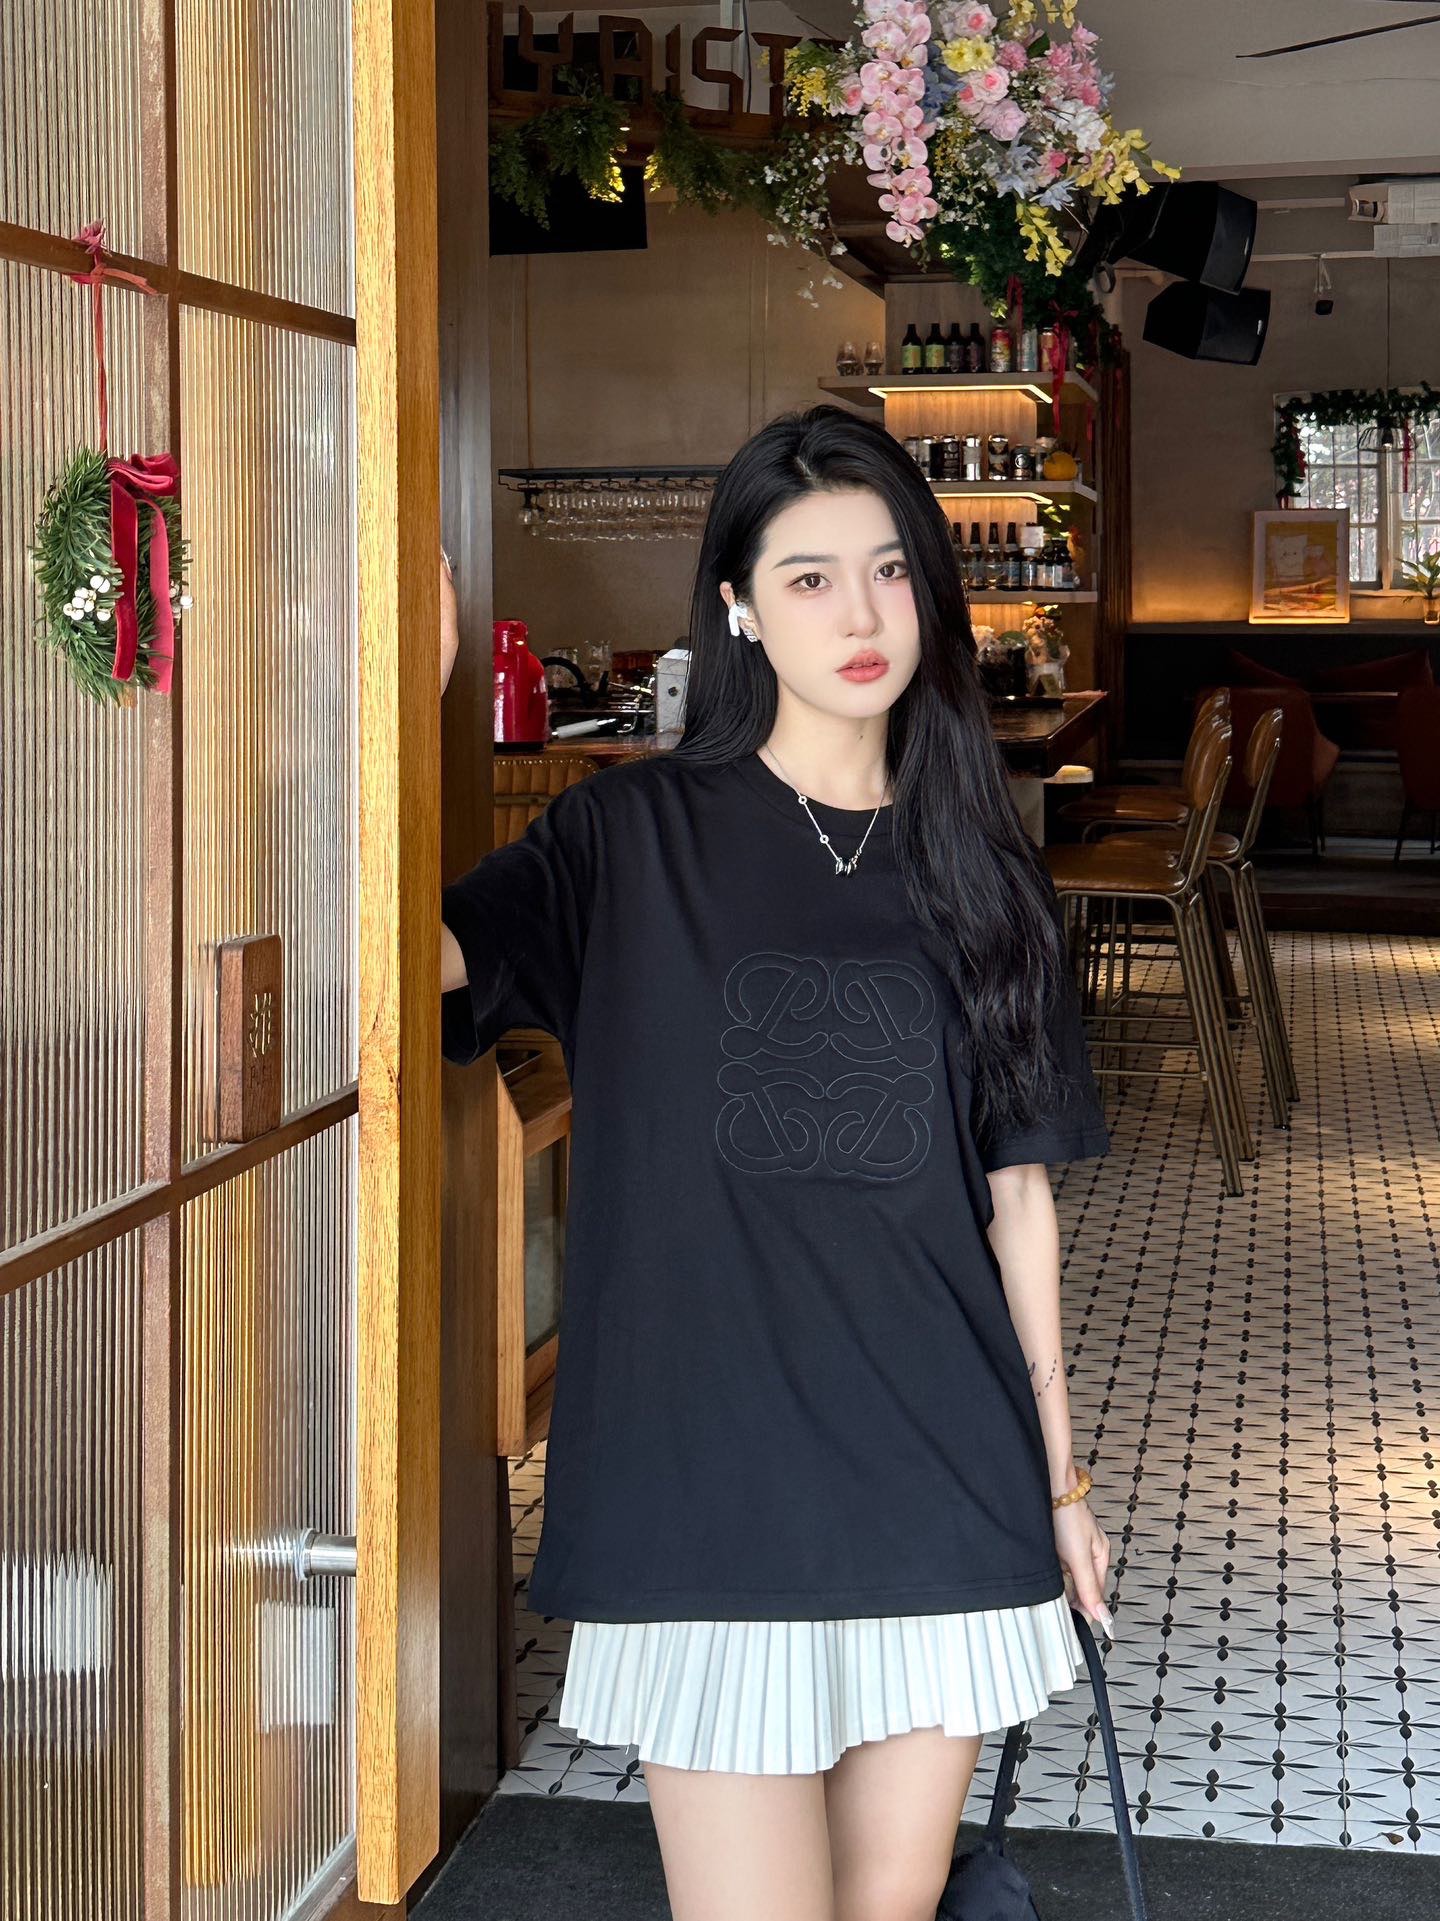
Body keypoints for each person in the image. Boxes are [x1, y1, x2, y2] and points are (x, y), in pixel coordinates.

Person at [439, 405, 1116, 1921]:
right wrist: (389, 699)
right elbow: (416, 964)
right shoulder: (626, 838)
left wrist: (1059, 1479)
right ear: (739, 605)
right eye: (809, 578)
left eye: (890, 570)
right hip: (703, 1477)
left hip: (938, 1469)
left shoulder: (982, 864)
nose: (860, 616)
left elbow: (1017, 1200)